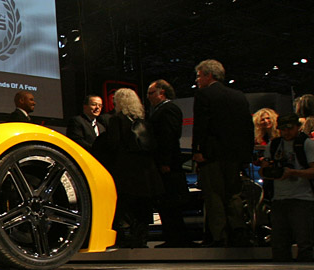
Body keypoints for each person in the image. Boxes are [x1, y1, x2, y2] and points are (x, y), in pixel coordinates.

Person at [191, 59, 254, 247]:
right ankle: (239, 232)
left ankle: (219, 237)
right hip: (234, 157)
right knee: (233, 195)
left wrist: (198, 151)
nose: (197, 80)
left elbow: (201, 126)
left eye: (199, 75)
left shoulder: (204, 95)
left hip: (212, 156)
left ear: (209, 75)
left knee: (214, 196)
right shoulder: (239, 96)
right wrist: (246, 155)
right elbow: (247, 128)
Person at [93, 88, 162, 248]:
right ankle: (141, 239)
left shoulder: (116, 120)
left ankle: (123, 238)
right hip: (145, 171)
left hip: (126, 171)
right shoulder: (144, 121)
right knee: (142, 208)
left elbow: (113, 144)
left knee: (123, 206)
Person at [259, 112, 314, 261]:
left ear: (298, 127)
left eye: (290, 129)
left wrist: (293, 172)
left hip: (302, 198)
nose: (286, 132)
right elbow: (264, 171)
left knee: (305, 242)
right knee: (279, 244)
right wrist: (268, 170)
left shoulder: (306, 144)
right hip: (279, 199)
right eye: (283, 129)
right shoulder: (275, 144)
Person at [146, 80, 191, 247]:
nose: (148, 97)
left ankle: (177, 239)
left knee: (170, 203)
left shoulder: (168, 109)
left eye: (151, 93)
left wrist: (165, 162)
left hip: (168, 166)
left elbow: (169, 137)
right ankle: (173, 238)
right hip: (165, 164)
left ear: (161, 93)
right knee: (167, 204)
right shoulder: (161, 110)